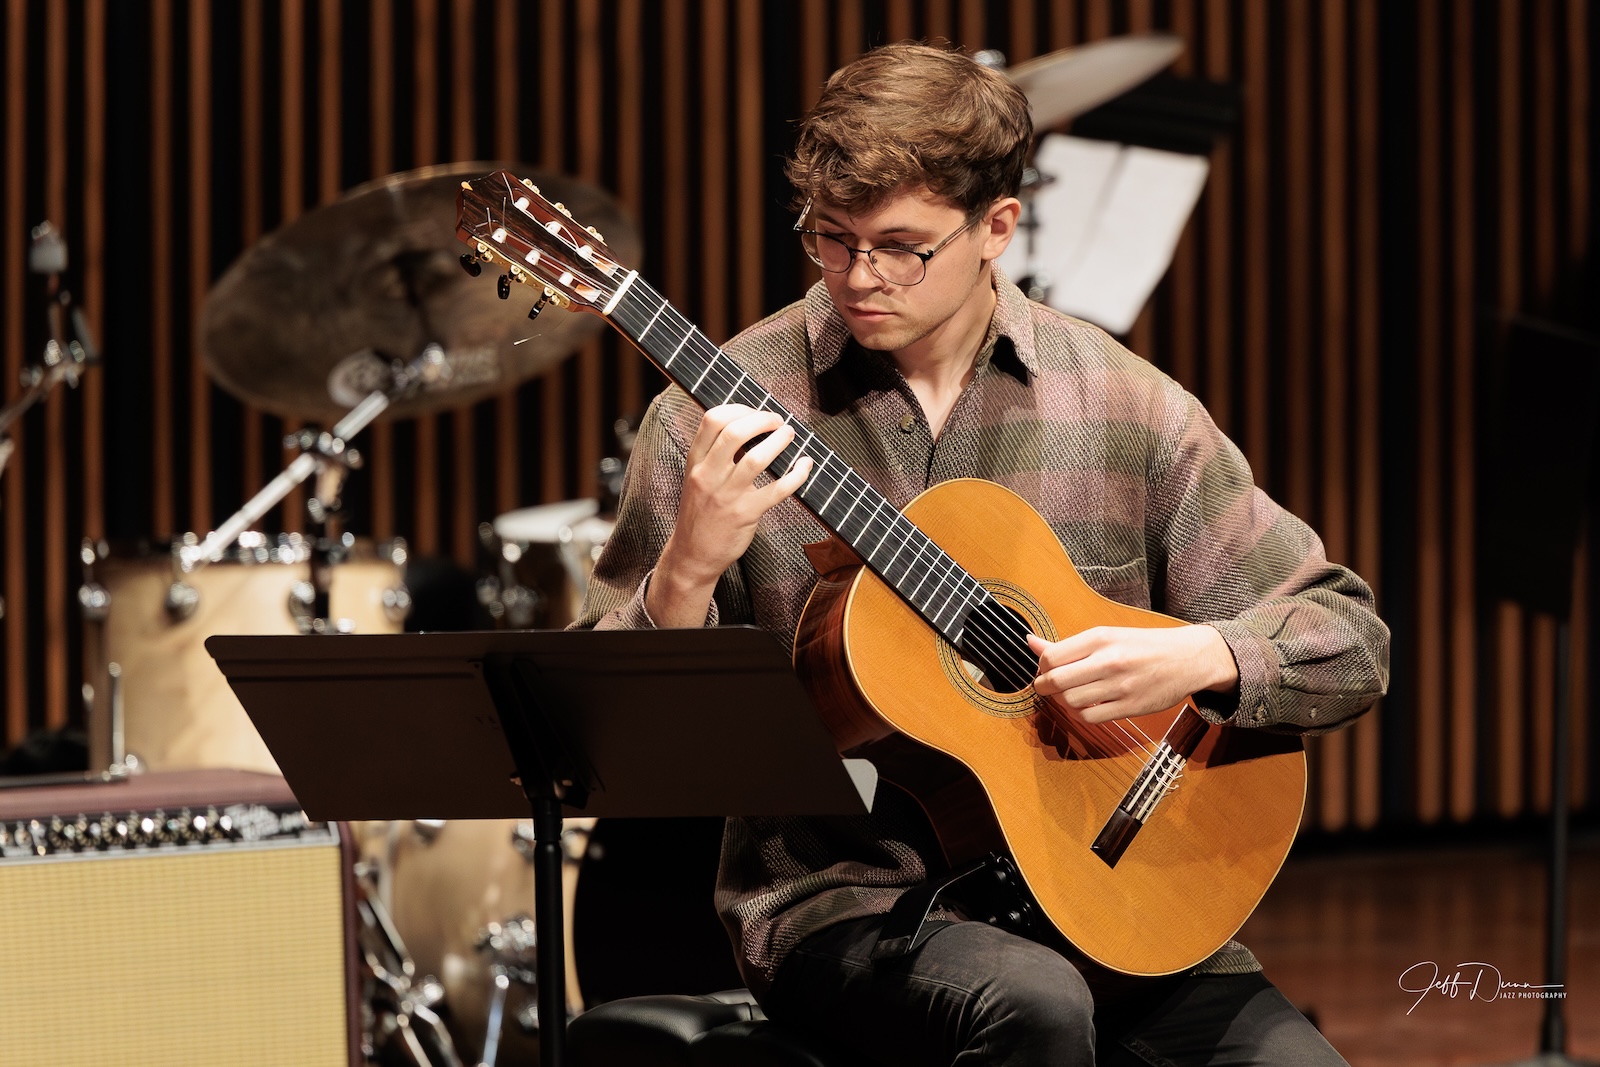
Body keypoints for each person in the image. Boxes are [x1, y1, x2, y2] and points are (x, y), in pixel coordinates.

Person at [573, 41, 1389, 1066]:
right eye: (830, 239)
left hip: (1120, 881)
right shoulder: (722, 407)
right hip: (852, 907)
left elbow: (1347, 636)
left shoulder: (1122, 402)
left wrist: (1202, 658)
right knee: (1032, 1004)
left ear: (997, 225)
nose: (857, 277)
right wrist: (685, 568)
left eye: (900, 246)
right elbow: (601, 748)